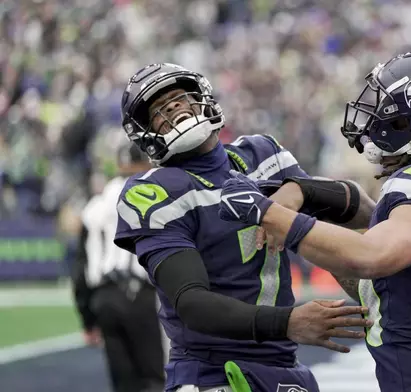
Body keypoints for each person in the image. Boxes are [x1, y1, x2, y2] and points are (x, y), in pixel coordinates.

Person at [218, 49, 411, 392]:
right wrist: (307, 206)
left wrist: (266, 212)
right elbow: (382, 289)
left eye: (385, 106)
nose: (372, 113)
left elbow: (371, 256)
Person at [113, 63, 375, 392]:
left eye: (180, 97)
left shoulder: (263, 155)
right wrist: (290, 322)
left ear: (204, 98)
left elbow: (364, 215)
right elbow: (192, 303)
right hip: (213, 374)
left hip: (283, 366)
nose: (173, 108)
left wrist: (301, 190)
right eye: (158, 110)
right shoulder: (155, 191)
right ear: (146, 134)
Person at [72, 143, 165, 392]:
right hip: (143, 295)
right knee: (155, 377)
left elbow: (81, 267)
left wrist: (87, 319)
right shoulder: (155, 196)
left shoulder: (94, 206)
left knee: (123, 383)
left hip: (105, 298)